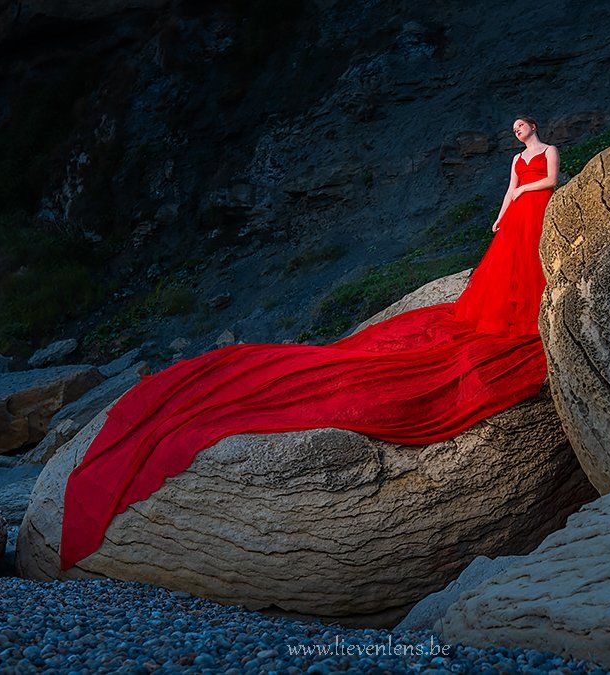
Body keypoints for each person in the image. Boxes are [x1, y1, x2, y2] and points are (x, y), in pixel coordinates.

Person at [59, 117, 559, 571]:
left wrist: (521, 197)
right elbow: (511, 186)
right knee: (502, 271)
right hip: (517, 211)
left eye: (521, 128)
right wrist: (502, 211)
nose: (517, 134)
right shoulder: (515, 160)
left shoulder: (549, 149)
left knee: (521, 271)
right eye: (513, 130)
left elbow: (549, 182)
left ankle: (528, 302)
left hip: (538, 206)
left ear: (533, 127)